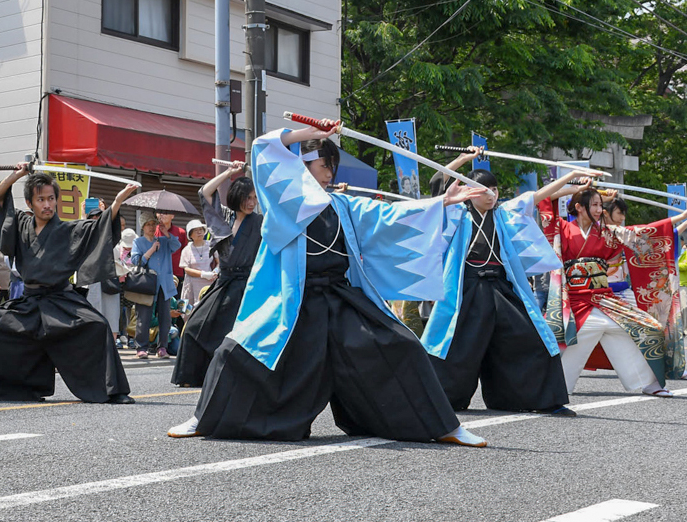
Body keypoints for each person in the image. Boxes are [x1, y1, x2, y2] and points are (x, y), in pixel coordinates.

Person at [169, 121, 489, 447]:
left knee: (401, 344)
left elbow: (389, 215)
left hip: (341, 298)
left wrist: (441, 203)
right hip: (294, 300)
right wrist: (309, 136)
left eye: (331, 166)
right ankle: (203, 419)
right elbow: (264, 149)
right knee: (237, 351)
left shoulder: (344, 206)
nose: (329, 173)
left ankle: (444, 425)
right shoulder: (286, 205)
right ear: (303, 166)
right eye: (324, 165)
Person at [421, 159, 589, 416]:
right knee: (456, 343)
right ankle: (441, 400)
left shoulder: (505, 213)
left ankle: (539, 399)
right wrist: (464, 159)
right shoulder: (456, 214)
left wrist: (572, 178)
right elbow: (438, 184)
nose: (491, 195)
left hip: (500, 286)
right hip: (465, 288)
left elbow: (537, 196)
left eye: (494, 190)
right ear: (470, 192)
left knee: (532, 336)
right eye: (484, 190)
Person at [0, 167, 137, 404]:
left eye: (51, 199)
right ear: (30, 202)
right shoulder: (21, 223)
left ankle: (110, 390)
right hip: (29, 301)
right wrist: (17, 175)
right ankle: (7, 389)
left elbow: (99, 229)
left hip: (60, 300)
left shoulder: (68, 230)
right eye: (41, 199)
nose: (47, 204)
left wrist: (117, 201)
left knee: (97, 326)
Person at [539, 182, 687, 397]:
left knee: (648, 327)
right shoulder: (562, 229)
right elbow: (544, 200)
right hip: (572, 300)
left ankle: (649, 382)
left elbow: (645, 232)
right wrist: (572, 188)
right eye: (595, 205)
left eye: (602, 205)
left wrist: (682, 216)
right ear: (579, 207)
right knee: (573, 334)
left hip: (603, 299)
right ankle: (555, 386)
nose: (600, 210)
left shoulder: (608, 233)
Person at [172, 162, 263, 387]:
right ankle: (193, 376)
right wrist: (230, 172)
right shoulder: (225, 217)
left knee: (234, 334)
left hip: (247, 285)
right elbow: (204, 191)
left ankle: (235, 378)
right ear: (236, 197)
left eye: (254, 197)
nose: (252, 202)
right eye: (247, 197)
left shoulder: (261, 221)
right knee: (194, 325)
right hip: (222, 283)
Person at [131, 214, 181, 359]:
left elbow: (177, 246)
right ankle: (141, 347)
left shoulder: (164, 240)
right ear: (143, 227)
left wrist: (166, 232)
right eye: (148, 224)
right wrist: (151, 250)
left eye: (154, 224)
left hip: (164, 284)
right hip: (146, 284)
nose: (152, 227)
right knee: (144, 316)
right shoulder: (138, 242)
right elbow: (136, 261)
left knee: (165, 317)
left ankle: (163, 347)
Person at [84, 203, 126, 349]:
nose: (95, 220)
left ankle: (111, 347)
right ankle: (94, 348)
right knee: (94, 313)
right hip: (92, 282)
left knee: (112, 315)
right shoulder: (84, 238)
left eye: (99, 218)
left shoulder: (111, 237)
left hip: (109, 282)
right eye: (92, 218)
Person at [179, 219, 215, 311]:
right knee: (187, 311)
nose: (199, 232)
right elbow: (186, 269)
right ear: (190, 235)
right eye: (196, 230)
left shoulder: (211, 245)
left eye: (201, 229)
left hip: (209, 283)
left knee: (207, 309)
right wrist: (203, 274)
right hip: (191, 285)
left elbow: (219, 262)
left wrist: (216, 271)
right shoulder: (186, 249)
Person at [156, 211, 187, 295]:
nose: (162, 214)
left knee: (175, 304)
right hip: (158, 273)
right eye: (159, 212)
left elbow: (185, 252)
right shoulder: (153, 231)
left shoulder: (181, 232)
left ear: (172, 215)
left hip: (176, 272)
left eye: (165, 212)